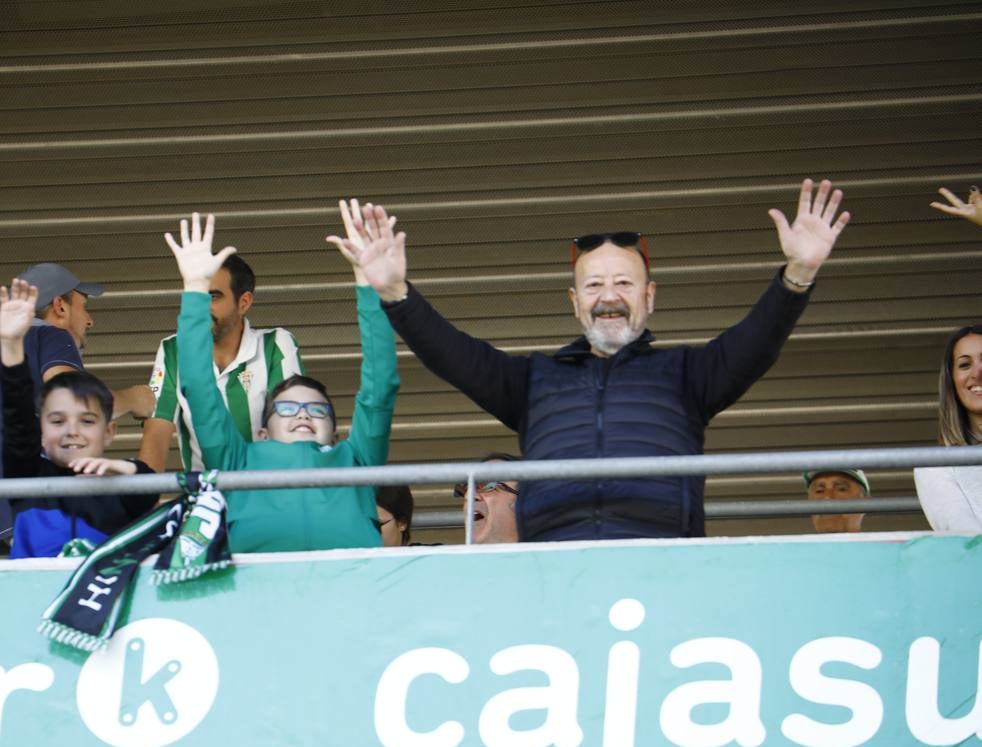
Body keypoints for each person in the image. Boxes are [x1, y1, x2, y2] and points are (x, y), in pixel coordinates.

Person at [369, 179, 851, 542]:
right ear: (575, 301)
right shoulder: (534, 381)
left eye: (624, 283)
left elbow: (756, 342)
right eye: (594, 285)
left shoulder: (686, 375)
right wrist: (394, 292)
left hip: (662, 563)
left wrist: (798, 273)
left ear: (650, 296)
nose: (609, 297)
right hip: (556, 570)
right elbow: (453, 355)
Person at [165, 205, 398, 552]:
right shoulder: (237, 462)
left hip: (349, 593)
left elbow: (380, 386)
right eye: (287, 408)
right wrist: (196, 288)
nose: (303, 414)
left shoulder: (356, 459)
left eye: (317, 410)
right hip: (260, 597)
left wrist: (368, 284)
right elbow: (199, 388)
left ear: (334, 435)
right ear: (261, 433)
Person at [0, 262, 151, 561]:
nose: (90, 321)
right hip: (34, 527)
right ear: (60, 307)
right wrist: (134, 399)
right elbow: (72, 398)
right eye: (84, 307)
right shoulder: (53, 337)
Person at [0, 279, 159, 558]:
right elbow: (17, 415)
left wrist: (120, 469)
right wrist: (11, 345)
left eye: (87, 421)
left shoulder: (119, 492)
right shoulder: (27, 478)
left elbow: (149, 488)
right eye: (58, 421)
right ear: (41, 431)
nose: (72, 431)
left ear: (110, 431)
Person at [138, 252, 304, 472]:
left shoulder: (275, 345)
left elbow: (291, 432)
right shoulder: (174, 350)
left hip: (267, 495)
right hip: (205, 498)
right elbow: (156, 434)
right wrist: (141, 501)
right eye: (196, 296)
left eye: (213, 296)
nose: (201, 308)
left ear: (243, 303)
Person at [913, 323, 982, 533]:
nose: (977, 373)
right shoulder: (934, 469)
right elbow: (967, 544)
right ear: (952, 382)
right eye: (964, 365)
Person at [455, 452, 521, 544]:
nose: (468, 496)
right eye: (466, 488)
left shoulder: (547, 555)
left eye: (488, 486)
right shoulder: (437, 556)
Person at [803, 468, 870, 534]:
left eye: (841, 489)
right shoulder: (795, 544)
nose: (827, 497)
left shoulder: (877, 544)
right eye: (819, 491)